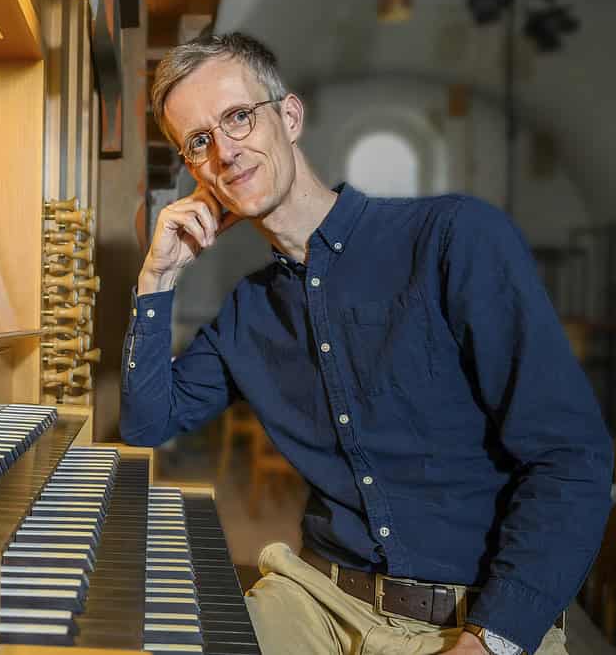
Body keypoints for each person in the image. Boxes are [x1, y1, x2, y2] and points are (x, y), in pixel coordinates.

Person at [119, 32, 613, 655]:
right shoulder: (248, 312)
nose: (224, 151)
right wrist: (156, 278)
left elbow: (571, 460)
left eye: (238, 117)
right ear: (193, 168)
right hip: (316, 599)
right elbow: (146, 423)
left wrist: (492, 640)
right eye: (199, 140)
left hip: (475, 618)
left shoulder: (455, 239)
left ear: (289, 117)